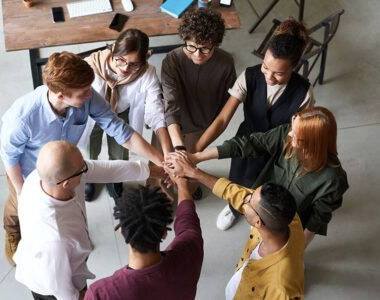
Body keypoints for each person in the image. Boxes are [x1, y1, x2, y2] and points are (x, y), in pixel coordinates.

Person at [0, 51, 164, 266]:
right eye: (83, 92)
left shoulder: (87, 97)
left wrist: (162, 162)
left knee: (67, 208)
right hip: (28, 172)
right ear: (60, 95)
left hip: (67, 168)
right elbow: (9, 157)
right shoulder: (22, 117)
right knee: (16, 208)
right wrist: (23, 194)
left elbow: (121, 131)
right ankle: (12, 232)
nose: (90, 95)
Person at [192, 17, 315, 230]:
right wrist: (195, 152)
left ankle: (258, 212)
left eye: (278, 73)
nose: (268, 76)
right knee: (239, 177)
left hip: (278, 149)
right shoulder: (249, 76)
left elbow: (299, 134)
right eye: (266, 67)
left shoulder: (304, 92)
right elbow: (222, 120)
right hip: (245, 142)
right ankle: (233, 207)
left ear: (294, 67)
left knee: (268, 188)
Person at [14, 141, 161, 300]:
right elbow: (63, 292)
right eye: (82, 168)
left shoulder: (44, 176)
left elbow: (108, 170)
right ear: (66, 183)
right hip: (50, 287)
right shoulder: (55, 239)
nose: (87, 169)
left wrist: (159, 171)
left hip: (63, 260)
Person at [185, 106, 348, 248]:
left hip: (288, 226)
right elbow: (250, 144)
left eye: (297, 135)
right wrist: (198, 157)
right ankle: (237, 211)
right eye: (292, 128)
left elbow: (316, 221)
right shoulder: (287, 135)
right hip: (259, 205)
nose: (290, 134)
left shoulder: (333, 180)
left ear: (314, 143)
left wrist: (296, 251)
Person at [165, 151, 305, 299]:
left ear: (258, 222)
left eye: (249, 201)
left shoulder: (281, 288)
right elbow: (237, 193)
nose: (245, 198)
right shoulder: (288, 217)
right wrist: (195, 173)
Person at [83, 28, 172, 201]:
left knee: (120, 152)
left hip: (121, 112)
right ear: (114, 49)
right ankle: (89, 175)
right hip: (92, 114)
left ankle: (115, 178)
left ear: (144, 59)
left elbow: (155, 111)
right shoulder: (91, 65)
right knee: (88, 148)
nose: (124, 68)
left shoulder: (147, 72)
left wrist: (167, 153)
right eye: (121, 60)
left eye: (133, 64)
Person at [160, 7, 237, 200]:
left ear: (215, 44)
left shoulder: (226, 63)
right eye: (191, 47)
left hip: (200, 127)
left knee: (191, 169)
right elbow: (170, 107)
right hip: (171, 125)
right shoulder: (172, 60)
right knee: (163, 168)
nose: (197, 54)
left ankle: (190, 189)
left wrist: (190, 156)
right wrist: (179, 150)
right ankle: (163, 200)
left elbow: (224, 112)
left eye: (205, 48)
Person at [84, 177, 203, 299]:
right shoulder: (191, 250)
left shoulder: (100, 294)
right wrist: (182, 183)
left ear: (122, 232)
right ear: (164, 233)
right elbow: (187, 219)